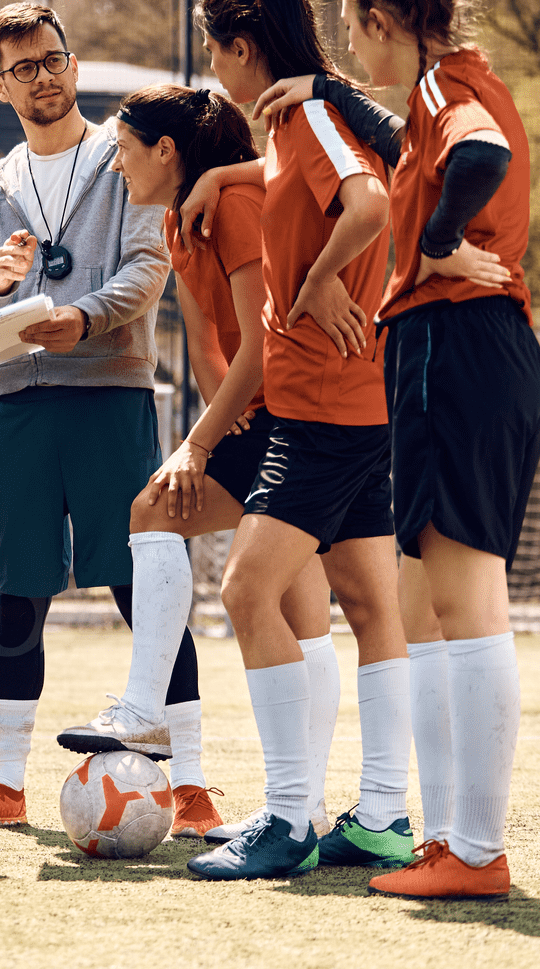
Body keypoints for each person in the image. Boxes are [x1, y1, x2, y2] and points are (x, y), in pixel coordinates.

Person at [253, 0, 540, 900]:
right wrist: (331, 93)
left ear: (383, 21)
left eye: (354, 34)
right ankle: (451, 842)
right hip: (445, 356)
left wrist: (436, 240)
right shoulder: (433, 93)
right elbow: (415, 145)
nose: (353, 49)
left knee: (463, 607)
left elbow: (482, 155)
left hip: (459, 353)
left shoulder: (446, 93)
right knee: (424, 613)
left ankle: (476, 851)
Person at [177, 0, 413, 882]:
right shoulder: (286, 126)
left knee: (245, 592)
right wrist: (225, 174)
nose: (211, 69)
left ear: (243, 49)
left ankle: (285, 820)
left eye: (213, 49)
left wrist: (316, 284)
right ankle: (387, 816)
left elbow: (370, 200)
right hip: (357, 402)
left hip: (321, 407)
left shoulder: (308, 118)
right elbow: (306, 174)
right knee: (365, 599)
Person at [73, 82, 340, 844]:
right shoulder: (177, 219)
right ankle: (306, 807)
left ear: (167, 151)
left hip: (306, 413)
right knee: (297, 602)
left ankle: (145, 713)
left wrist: (199, 444)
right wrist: (217, 433)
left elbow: (263, 344)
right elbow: (209, 353)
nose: (116, 164)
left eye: (124, 150)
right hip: (262, 415)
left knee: (155, 514)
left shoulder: (234, 207)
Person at [0, 3, 171, 832]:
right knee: (18, 597)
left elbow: (149, 267)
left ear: (74, 61)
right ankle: (5, 786)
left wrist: (85, 318)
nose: (44, 77)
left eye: (54, 59)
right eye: (24, 68)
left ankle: (198, 781)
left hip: (111, 394)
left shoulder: (127, 157)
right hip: (19, 403)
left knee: (140, 587)